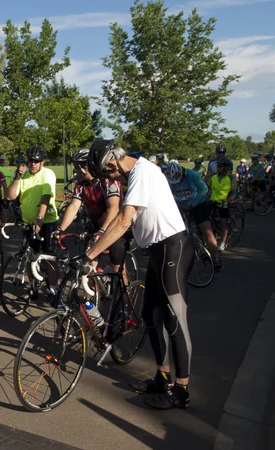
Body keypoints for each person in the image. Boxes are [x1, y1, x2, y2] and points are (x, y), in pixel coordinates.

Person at [82, 139, 193, 409]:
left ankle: (181, 391)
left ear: (112, 162)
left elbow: (123, 219)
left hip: (173, 249)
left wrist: (90, 255)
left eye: (108, 174)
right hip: (157, 251)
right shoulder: (134, 176)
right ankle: (162, 376)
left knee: (174, 320)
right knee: (151, 317)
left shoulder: (143, 171)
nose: (112, 180)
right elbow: (133, 220)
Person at [56, 148, 127, 276]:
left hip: (114, 227)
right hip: (95, 227)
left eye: (76, 167)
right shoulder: (81, 184)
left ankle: (124, 292)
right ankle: (91, 294)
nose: (75, 171)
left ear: (85, 167)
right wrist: (60, 229)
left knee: (118, 267)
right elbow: (73, 207)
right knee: (87, 265)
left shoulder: (107, 180)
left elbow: (114, 208)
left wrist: (103, 230)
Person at [6, 146, 59, 305]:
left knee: (49, 257)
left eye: (37, 161)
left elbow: (45, 197)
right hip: (28, 222)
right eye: (30, 161)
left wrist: (39, 220)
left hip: (46, 221)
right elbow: (10, 196)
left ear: (42, 162)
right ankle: (33, 288)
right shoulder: (24, 175)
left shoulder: (47, 173)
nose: (33, 164)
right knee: (31, 256)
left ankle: (53, 290)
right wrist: (17, 177)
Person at [165, 162, 222, 271]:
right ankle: (199, 252)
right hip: (182, 206)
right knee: (186, 233)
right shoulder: (168, 179)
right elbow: (169, 194)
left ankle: (216, 258)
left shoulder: (191, 174)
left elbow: (204, 189)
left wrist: (193, 203)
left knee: (207, 231)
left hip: (198, 204)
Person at [207, 159, 235, 250]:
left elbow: (234, 193)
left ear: (225, 168)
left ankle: (222, 242)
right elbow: (207, 188)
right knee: (207, 221)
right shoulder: (213, 177)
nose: (217, 168)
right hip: (213, 202)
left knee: (223, 223)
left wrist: (227, 201)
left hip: (224, 203)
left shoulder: (230, 179)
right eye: (217, 166)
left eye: (220, 166)